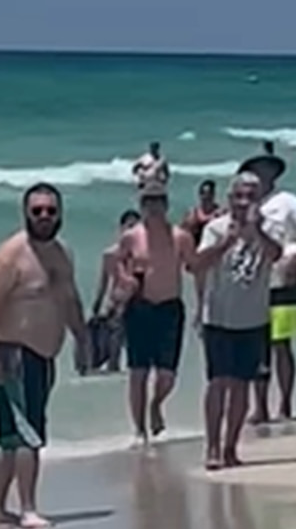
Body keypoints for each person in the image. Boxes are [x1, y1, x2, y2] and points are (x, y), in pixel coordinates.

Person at [0, 185, 89, 529]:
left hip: (44, 356)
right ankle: (28, 507)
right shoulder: (11, 255)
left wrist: (82, 339)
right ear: (25, 213)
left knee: (14, 437)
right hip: (13, 353)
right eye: (37, 210)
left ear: (60, 214)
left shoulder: (62, 254)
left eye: (50, 211)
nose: (44, 216)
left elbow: (69, 300)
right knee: (29, 434)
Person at [195, 172, 283, 469]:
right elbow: (196, 265)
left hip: (253, 319)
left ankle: (231, 447)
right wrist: (226, 242)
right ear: (230, 198)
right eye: (240, 196)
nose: (245, 202)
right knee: (217, 383)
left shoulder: (268, 229)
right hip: (218, 318)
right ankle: (212, 447)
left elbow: (276, 255)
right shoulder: (215, 228)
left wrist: (257, 231)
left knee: (242, 386)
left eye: (251, 196)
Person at [240, 146, 296, 424]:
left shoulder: (286, 201)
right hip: (255, 283)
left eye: (264, 170)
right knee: (256, 344)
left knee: (281, 343)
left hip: (283, 280)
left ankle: (285, 403)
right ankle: (260, 406)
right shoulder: (246, 206)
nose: (259, 176)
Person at [110, 183, 198, 442]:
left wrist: (204, 304)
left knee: (167, 375)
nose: (154, 207)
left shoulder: (180, 237)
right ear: (142, 205)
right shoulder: (131, 236)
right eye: (148, 202)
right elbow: (113, 260)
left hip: (170, 307)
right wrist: (123, 279)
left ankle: (156, 404)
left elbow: (195, 266)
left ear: (166, 204)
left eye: (158, 201)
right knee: (138, 372)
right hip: (140, 307)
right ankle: (139, 430)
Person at [88, 210, 140, 373]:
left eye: (135, 227)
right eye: (129, 226)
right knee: (114, 345)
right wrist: (96, 307)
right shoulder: (110, 254)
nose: (132, 231)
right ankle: (113, 373)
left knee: (135, 345)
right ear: (121, 228)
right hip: (116, 301)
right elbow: (103, 282)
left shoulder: (141, 255)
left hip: (137, 301)